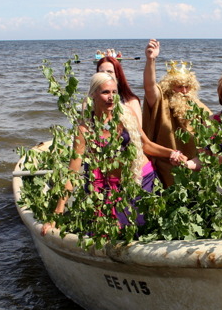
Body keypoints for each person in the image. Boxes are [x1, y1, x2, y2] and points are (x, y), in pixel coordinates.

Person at [41, 72, 187, 235]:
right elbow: (73, 173)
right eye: (105, 92)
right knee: (110, 232)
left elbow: (146, 145)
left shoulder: (126, 116)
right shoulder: (85, 130)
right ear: (93, 95)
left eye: (114, 92)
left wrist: (172, 153)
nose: (111, 97)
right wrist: (57, 213)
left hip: (142, 181)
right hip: (109, 188)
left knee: (149, 230)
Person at [142, 38, 211, 187]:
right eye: (179, 87)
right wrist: (151, 60)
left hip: (192, 171)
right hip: (162, 172)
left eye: (187, 87)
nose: (184, 91)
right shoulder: (161, 101)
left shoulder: (200, 108)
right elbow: (149, 87)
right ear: (170, 86)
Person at [95, 56, 142, 126]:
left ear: (117, 75)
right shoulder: (90, 101)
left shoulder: (131, 102)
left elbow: (138, 133)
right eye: (101, 72)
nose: (105, 75)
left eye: (109, 72)